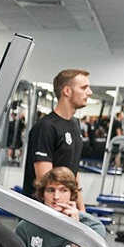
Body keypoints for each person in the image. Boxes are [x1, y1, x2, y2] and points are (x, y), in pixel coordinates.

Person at [14, 167, 106, 247]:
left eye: (63, 190)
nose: (56, 197)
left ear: (72, 194)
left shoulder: (93, 227)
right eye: (50, 190)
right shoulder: (26, 227)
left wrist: (75, 227)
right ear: (42, 195)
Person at [22, 69, 91, 202]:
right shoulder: (45, 127)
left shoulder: (75, 125)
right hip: (42, 210)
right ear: (67, 91)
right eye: (84, 88)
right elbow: (45, 181)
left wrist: (81, 209)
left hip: (64, 208)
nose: (89, 92)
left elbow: (74, 174)